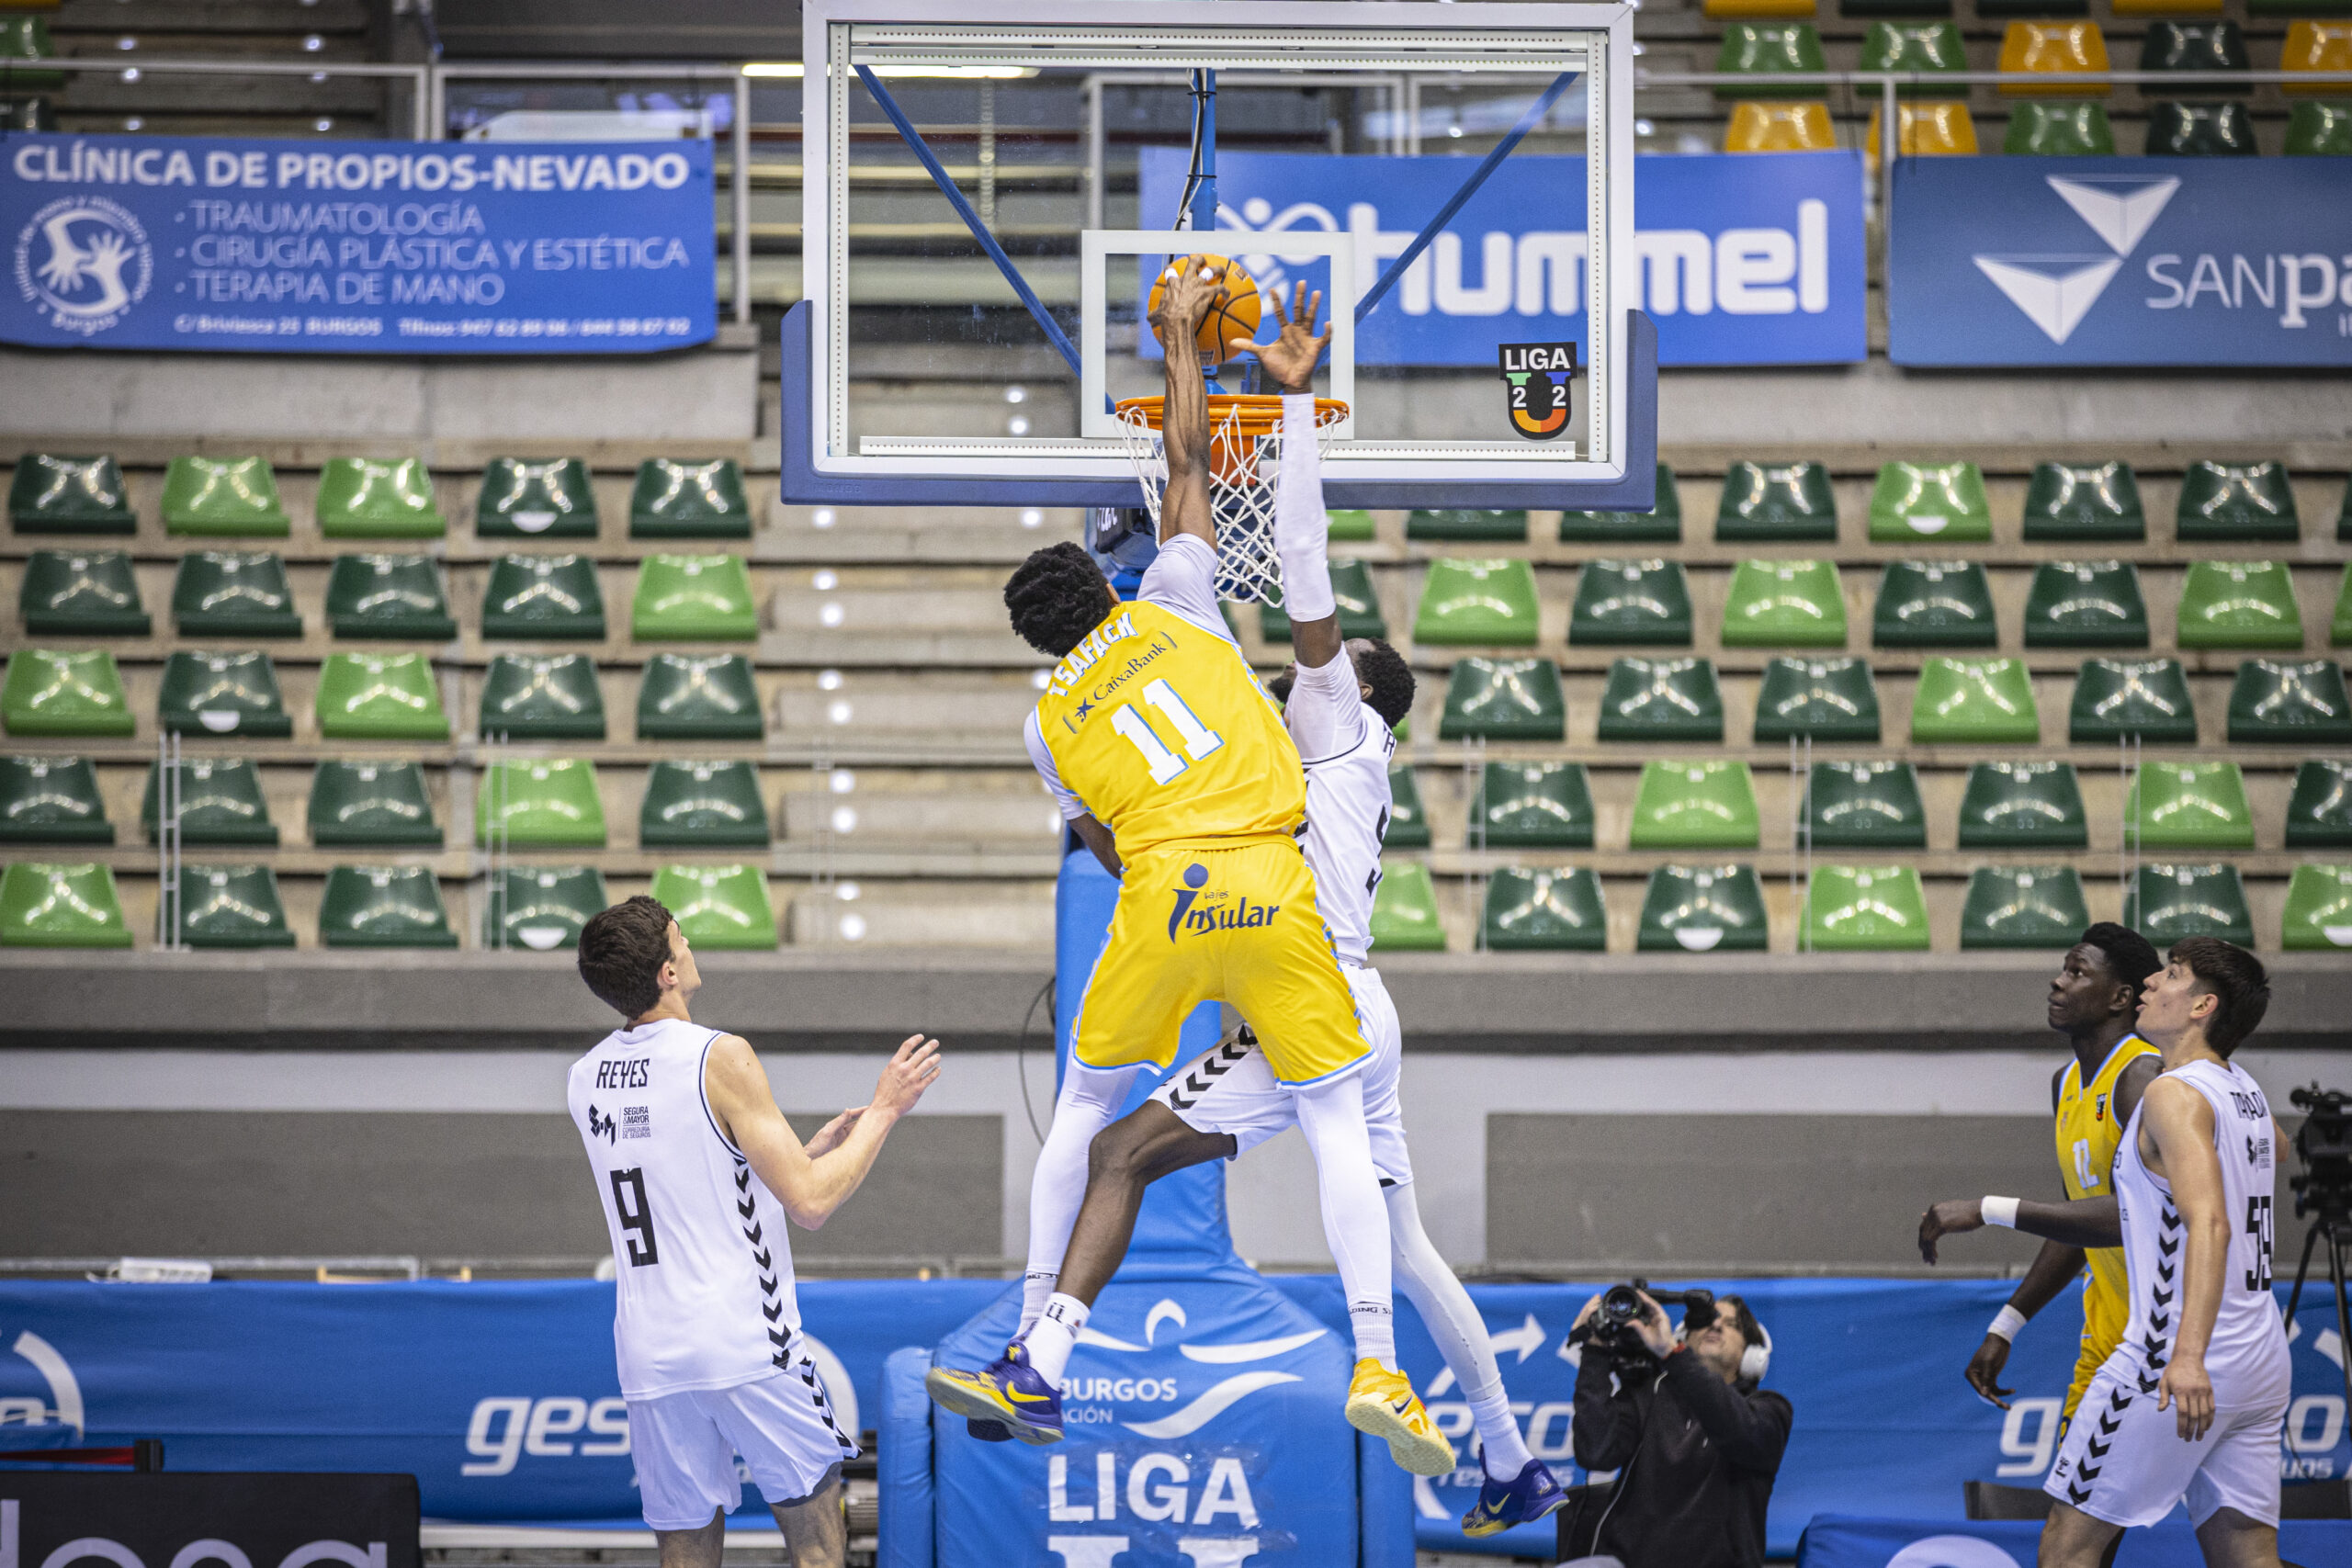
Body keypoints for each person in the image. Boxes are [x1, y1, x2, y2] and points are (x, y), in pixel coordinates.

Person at [968, 283, 1549, 1506]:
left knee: (1112, 1136)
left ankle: (1046, 1338)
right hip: (1333, 981)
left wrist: (1262, 398)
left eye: (1326, 657)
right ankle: (1503, 1447)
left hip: (1285, 957)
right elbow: (1197, 501)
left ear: (1353, 686)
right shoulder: (1250, 699)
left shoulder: (1324, 714)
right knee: (1395, 1227)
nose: (1306, 657)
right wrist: (1207, 376)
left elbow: (1277, 546)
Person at [568, 896, 943, 1568]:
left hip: (650, 1351)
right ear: (667, 973)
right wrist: (887, 1109)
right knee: (819, 1544)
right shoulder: (721, 1055)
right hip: (742, 1340)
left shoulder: (585, 1078)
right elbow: (812, 1202)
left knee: (685, 1551)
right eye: (681, 941)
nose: (690, 947)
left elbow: (689, 1178)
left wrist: (797, 1150)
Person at [1922, 940, 2290, 1568]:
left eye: (2170, 975)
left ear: (2202, 1004)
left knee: (2067, 1548)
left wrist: (2190, 1356)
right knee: (2248, 1553)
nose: (2153, 981)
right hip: (2259, 1357)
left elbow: (2210, 1222)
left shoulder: (2170, 1093)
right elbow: (2276, 1149)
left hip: (2170, 1356)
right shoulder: (2242, 1089)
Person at [1917, 924, 2163, 1425]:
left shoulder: (2143, 1077)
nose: (2058, 982)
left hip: (2162, 1339)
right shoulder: (2066, 1082)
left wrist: (1988, 1210)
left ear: (2120, 997)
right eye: (2062, 970)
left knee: (2076, 1504)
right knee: (2068, 1503)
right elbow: (2077, 1220)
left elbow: (2141, 1213)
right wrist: (2006, 1325)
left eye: (2077, 972)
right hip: (2107, 1337)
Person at [1565, 1290, 1792, 1568]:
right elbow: (1595, 1453)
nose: (1716, 1325)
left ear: (1752, 1354)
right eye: (1706, 1319)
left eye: (1732, 1324)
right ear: (1686, 1335)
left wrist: (1673, 1355)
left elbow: (1738, 1430)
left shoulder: (1769, 1409)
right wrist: (1595, 1351)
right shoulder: (1649, 1395)